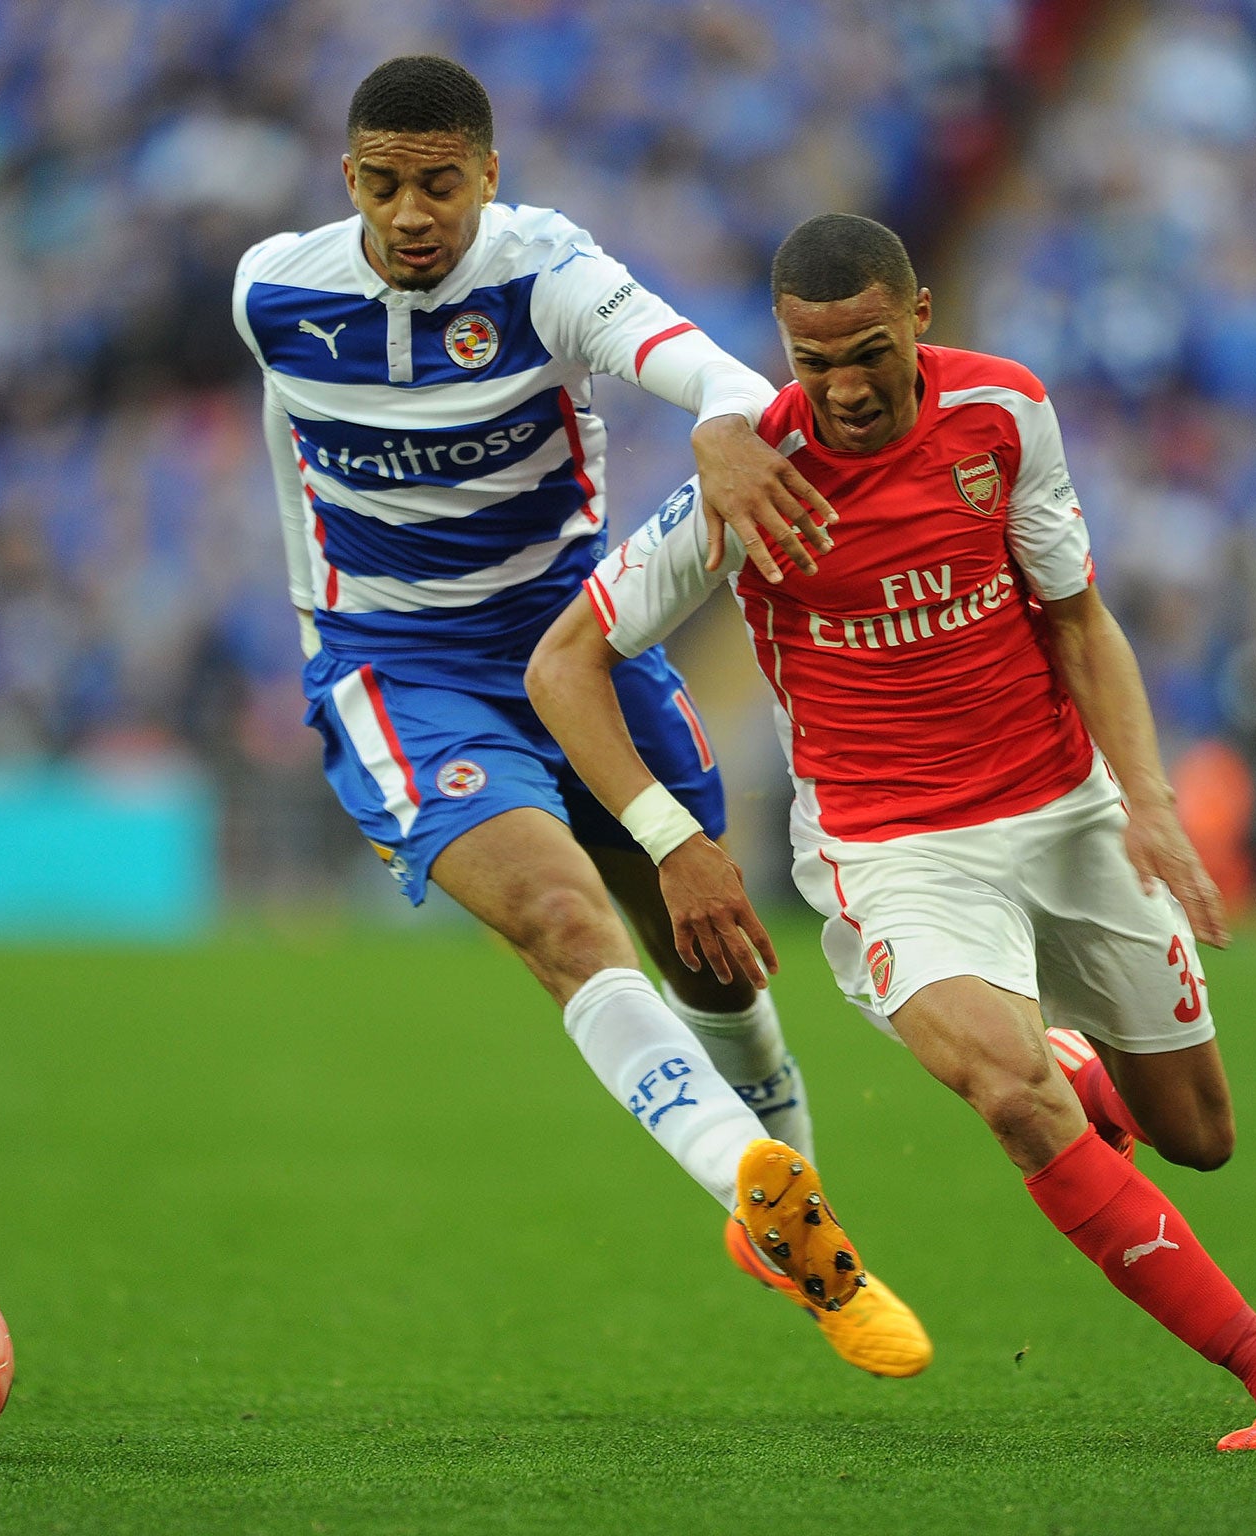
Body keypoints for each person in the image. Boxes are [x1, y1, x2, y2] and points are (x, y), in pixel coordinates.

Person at [526, 212, 1256, 1450]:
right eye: (814, 363)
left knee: (1195, 1137)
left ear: (918, 316)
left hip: (1063, 811)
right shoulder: (747, 478)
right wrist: (666, 837)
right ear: (783, 352)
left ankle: (1076, 1059)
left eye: (867, 350)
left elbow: (1076, 619)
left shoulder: (1003, 417)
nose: (844, 388)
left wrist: (1146, 801)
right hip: (891, 852)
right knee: (1012, 1096)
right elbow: (564, 663)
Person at [231, 59, 930, 1375]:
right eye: (384, 185)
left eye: (441, 183)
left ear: (490, 177)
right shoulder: (275, 290)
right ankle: (763, 1195)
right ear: (349, 182)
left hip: (573, 650)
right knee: (563, 916)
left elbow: (711, 374)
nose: (413, 213)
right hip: (399, 674)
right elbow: (287, 456)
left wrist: (728, 428)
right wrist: (320, 624)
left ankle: (793, 1201)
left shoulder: (547, 270)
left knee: (713, 949)